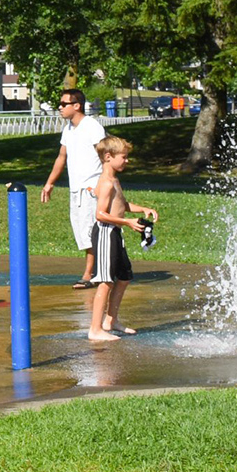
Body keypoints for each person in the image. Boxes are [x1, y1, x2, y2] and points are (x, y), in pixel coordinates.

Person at [86, 136, 160, 344]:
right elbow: (100, 214)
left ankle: (111, 321)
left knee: (124, 276)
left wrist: (143, 209)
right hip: (105, 232)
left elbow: (122, 204)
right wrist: (126, 222)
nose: (127, 161)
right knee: (106, 281)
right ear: (108, 157)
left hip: (115, 232)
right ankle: (95, 328)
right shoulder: (106, 183)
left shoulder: (115, 180)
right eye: (124, 157)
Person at [39, 88, 109, 291]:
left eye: (63, 104)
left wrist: (103, 184)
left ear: (76, 105)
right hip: (76, 189)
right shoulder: (69, 129)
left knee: (90, 231)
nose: (59, 107)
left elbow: (105, 157)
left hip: (90, 187)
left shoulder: (92, 127)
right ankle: (98, 270)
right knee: (81, 232)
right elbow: (62, 157)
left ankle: (90, 274)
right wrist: (50, 182)